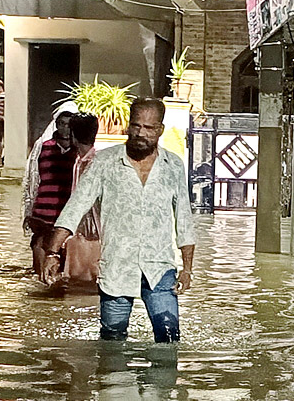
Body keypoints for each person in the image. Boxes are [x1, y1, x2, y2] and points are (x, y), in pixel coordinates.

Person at [39, 98, 195, 343]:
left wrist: (187, 269)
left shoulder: (173, 165)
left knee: (169, 338)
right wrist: (52, 252)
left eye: (149, 128)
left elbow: (184, 218)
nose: (141, 133)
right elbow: (75, 206)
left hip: (159, 267)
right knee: (112, 340)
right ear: (128, 126)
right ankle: (114, 380)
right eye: (136, 126)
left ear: (160, 130)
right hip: (117, 269)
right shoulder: (105, 162)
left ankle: (162, 382)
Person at [22, 104, 77, 271]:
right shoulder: (44, 147)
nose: (65, 128)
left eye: (69, 124)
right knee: (39, 245)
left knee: (65, 251)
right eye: (61, 123)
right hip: (43, 211)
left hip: (66, 211)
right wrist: (28, 211)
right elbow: (33, 179)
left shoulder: (79, 151)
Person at [61, 112, 102, 283]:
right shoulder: (83, 160)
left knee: (83, 282)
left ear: (73, 136)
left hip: (89, 235)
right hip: (85, 233)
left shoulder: (90, 162)